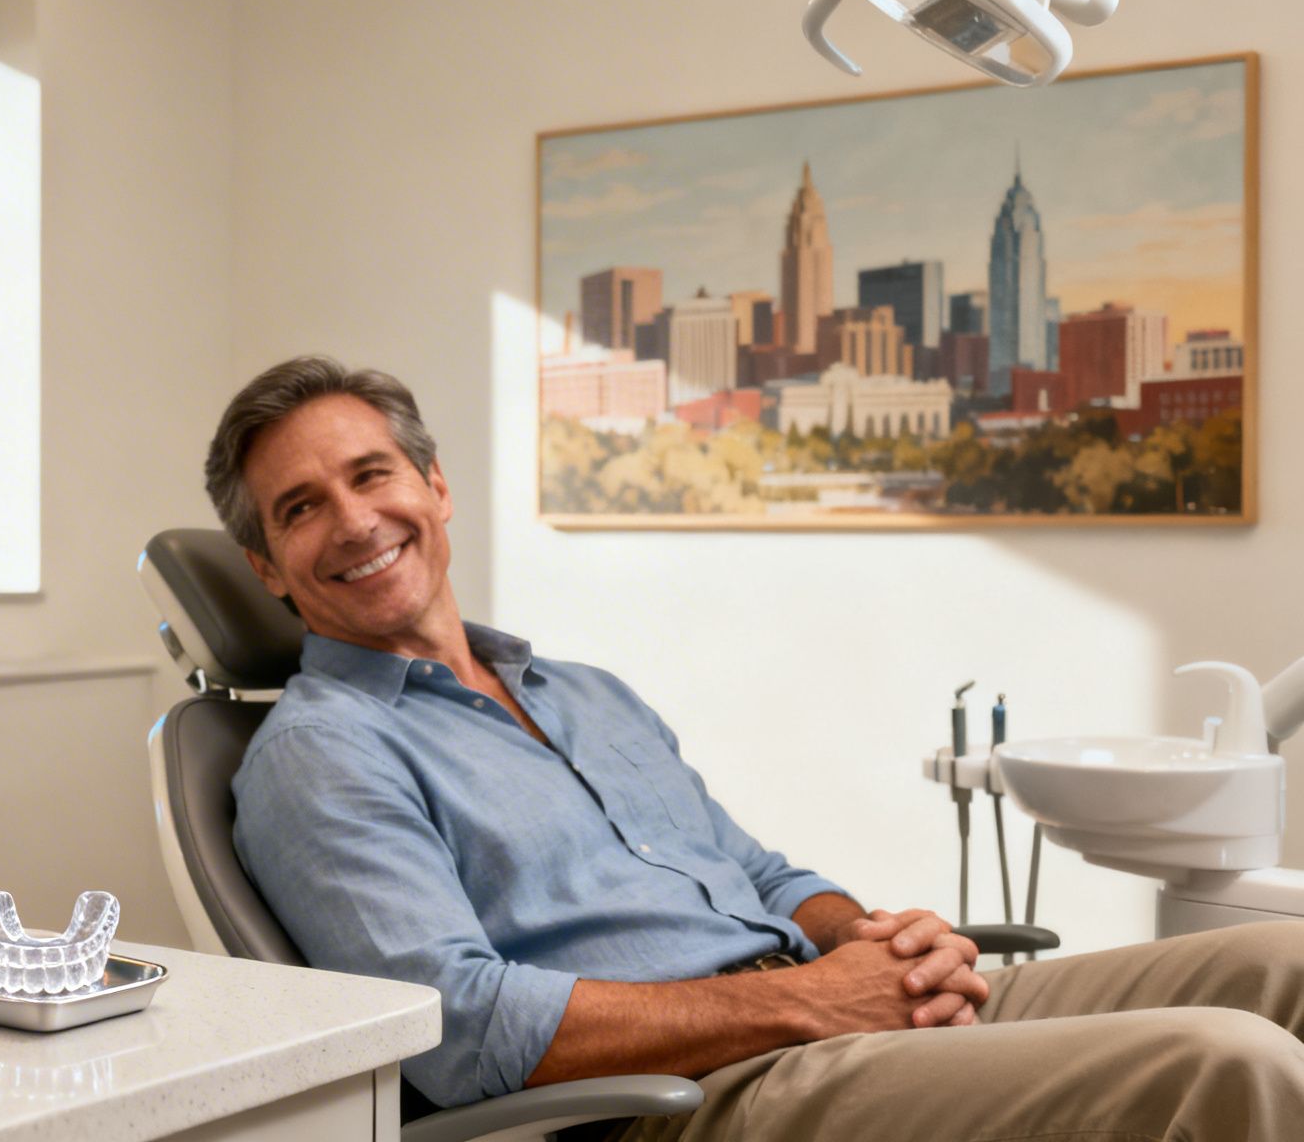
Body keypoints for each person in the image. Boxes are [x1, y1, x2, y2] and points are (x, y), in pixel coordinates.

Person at [206, 355, 1304, 1141]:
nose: (353, 522)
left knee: (1281, 963)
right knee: (1227, 1062)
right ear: (265, 566)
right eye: (299, 508)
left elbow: (757, 873)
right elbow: (453, 1028)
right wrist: (808, 1002)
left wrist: (875, 940)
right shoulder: (322, 755)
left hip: (821, 1015)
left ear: (433, 489)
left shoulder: (586, 692)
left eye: (371, 475)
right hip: (689, 1099)